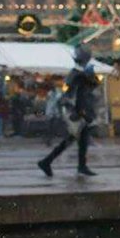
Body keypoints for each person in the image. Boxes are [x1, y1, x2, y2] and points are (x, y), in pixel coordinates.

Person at [38, 45, 100, 177]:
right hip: (77, 113)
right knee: (73, 140)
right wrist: (78, 111)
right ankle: (49, 162)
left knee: (76, 140)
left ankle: (51, 162)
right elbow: (71, 95)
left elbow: (88, 89)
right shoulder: (76, 74)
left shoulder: (80, 73)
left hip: (79, 112)